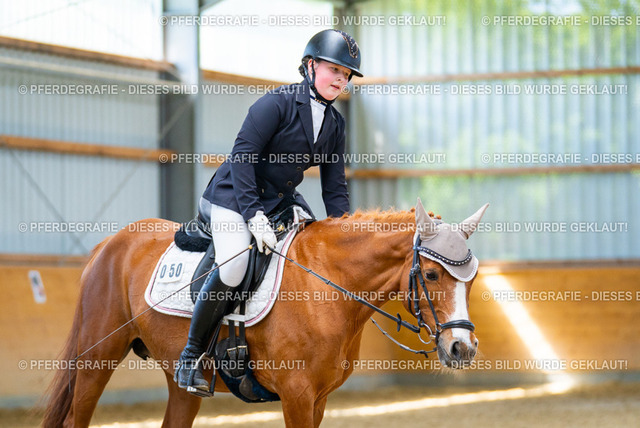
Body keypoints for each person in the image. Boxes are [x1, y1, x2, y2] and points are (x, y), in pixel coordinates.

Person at [175, 29, 363, 392]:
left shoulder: (335, 125)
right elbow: (242, 158)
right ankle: (191, 356)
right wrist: (253, 216)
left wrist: (344, 235)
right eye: (334, 70)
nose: (341, 79)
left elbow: (334, 187)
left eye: (346, 74)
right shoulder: (275, 103)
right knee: (234, 265)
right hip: (234, 196)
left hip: (279, 201)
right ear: (311, 65)